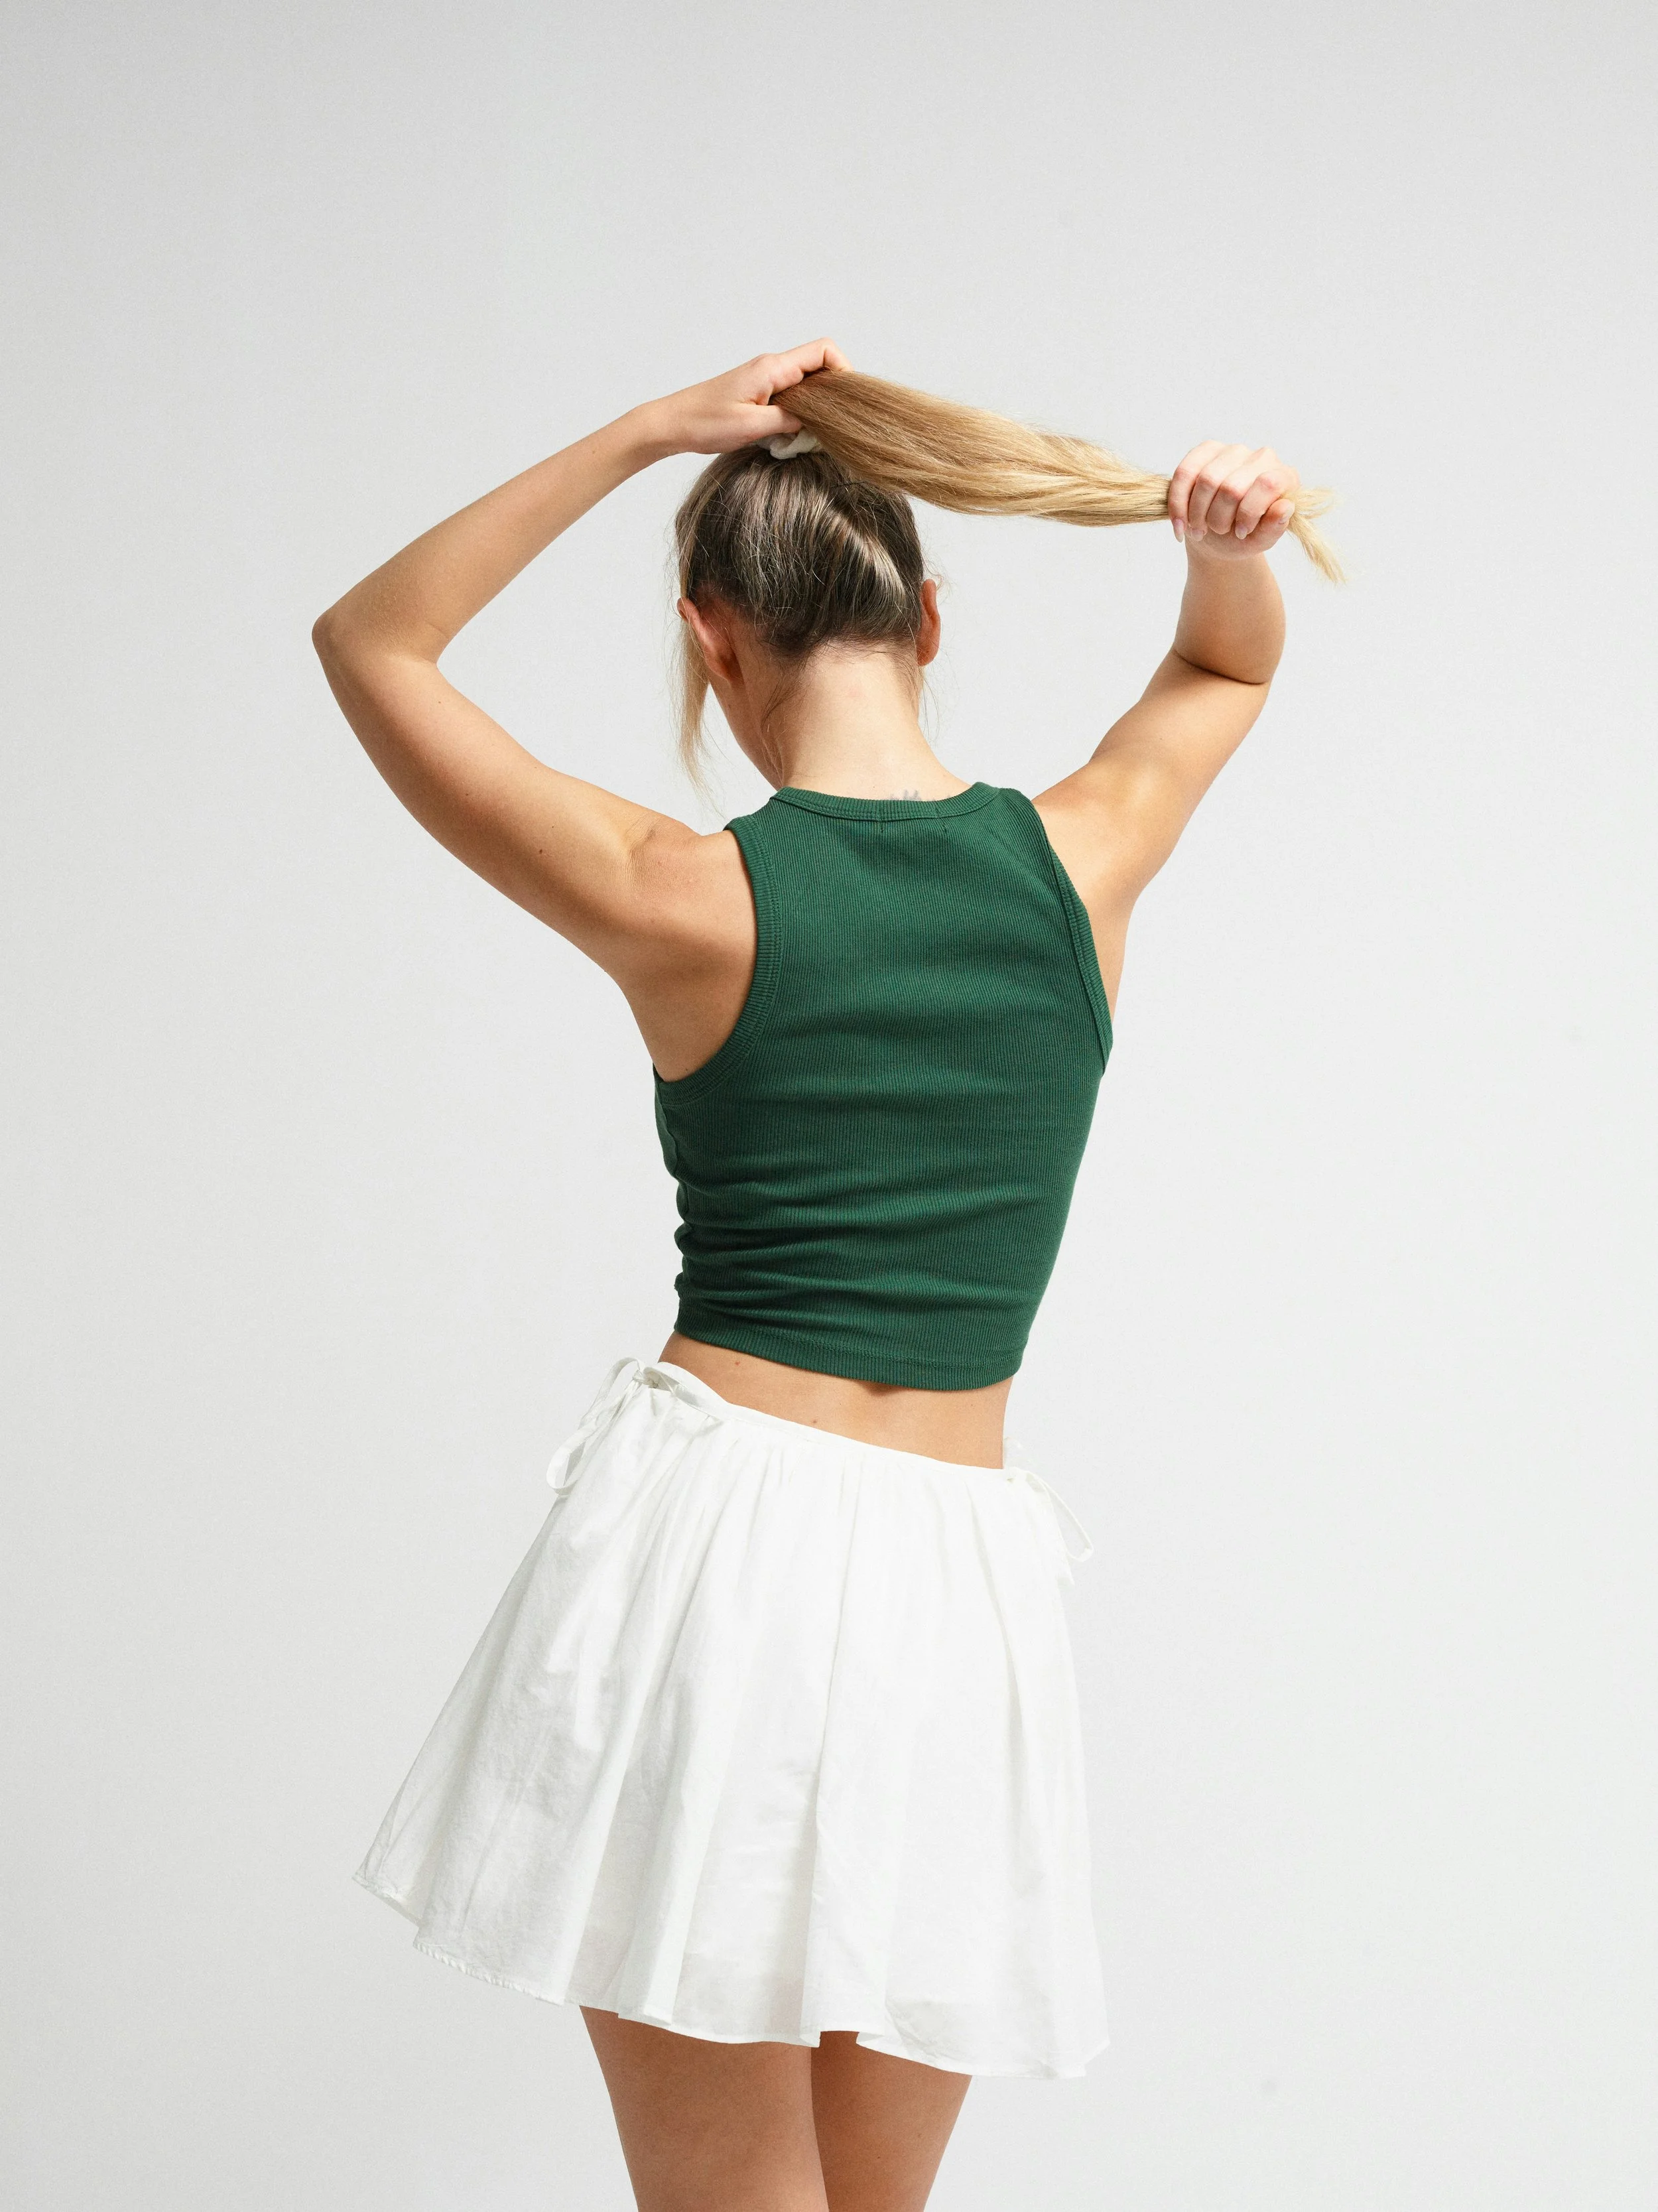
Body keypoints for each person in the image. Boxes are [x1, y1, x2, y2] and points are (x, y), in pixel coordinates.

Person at [313, 340, 1324, 2212]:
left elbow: (374, 645)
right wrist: (1221, 549)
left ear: (711, 642)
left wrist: (645, 432)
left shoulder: (671, 889)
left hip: (719, 1558)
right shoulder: (1080, 859)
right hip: (962, 1576)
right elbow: (1225, 666)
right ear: (928, 620)